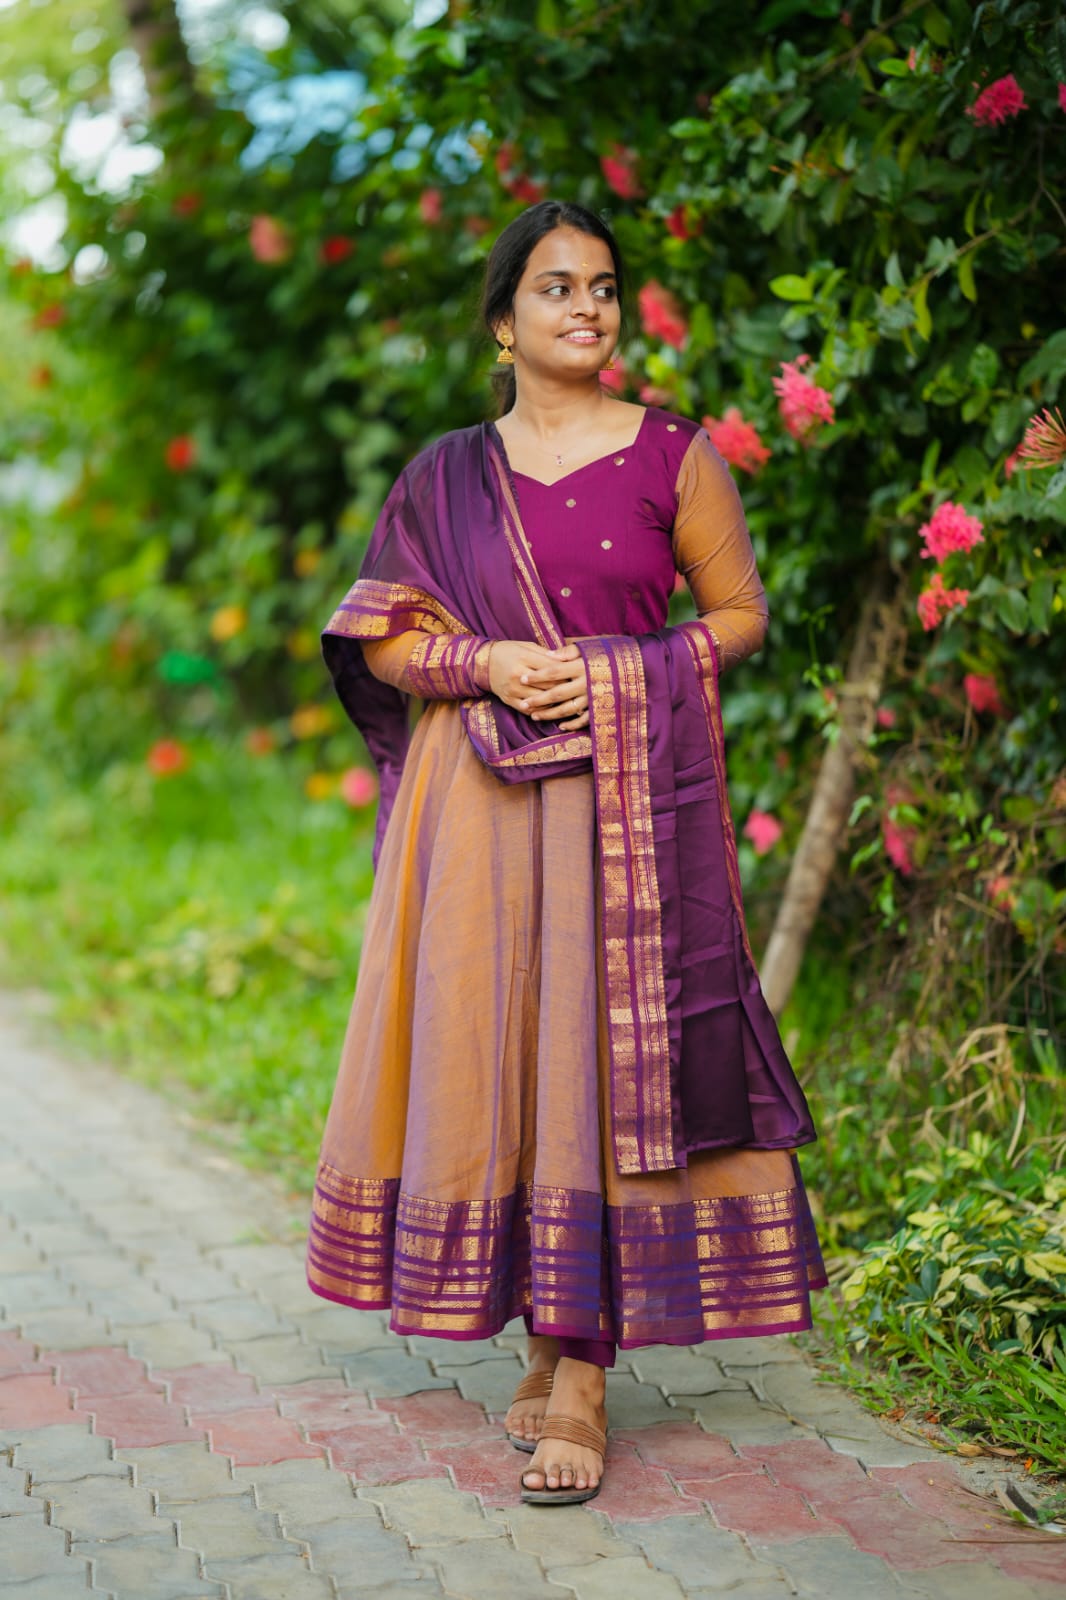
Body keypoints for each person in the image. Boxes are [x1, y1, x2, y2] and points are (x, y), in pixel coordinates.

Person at [306, 200, 826, 1508]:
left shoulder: (671, 456)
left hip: (623, 812)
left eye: (600, 287)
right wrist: (482, 659)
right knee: (502, 1059)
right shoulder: (441, 476)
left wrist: (606, 674)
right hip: (475, 812)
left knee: (604, 1068)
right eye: (553, 288)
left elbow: (737, 617)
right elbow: (380, 637)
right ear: (504, 320)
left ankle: (580, 1368)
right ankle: (539, 1328)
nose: (584, 308)